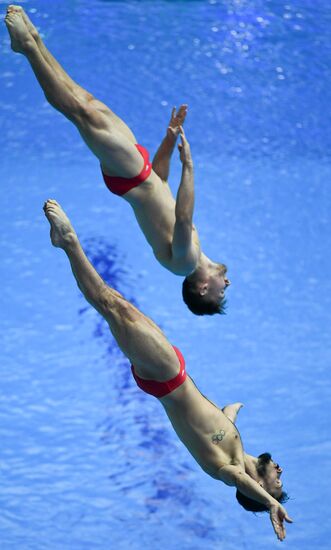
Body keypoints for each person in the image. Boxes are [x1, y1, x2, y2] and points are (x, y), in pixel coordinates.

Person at [42, 198, 292, 541]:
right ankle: (68, 244)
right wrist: (232, 411)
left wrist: (270, 504)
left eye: (276, 483)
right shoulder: (234, 447)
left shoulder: (225, 470)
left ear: (259, 488)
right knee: (114, 302)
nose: (279, 471)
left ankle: (68, 241)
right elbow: (219, 423)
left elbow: (240, 481)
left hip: (165, 375)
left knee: (108, 302)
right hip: (170, 370)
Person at [5, 5, 231, 316]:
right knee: (86, 103)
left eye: (220, 293)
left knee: (79, 112)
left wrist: (189, 168)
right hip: (142, 168)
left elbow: (182, 218)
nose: (227, 284)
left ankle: (30, 48)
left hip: (131, 175)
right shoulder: (193, 251)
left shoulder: (185, 263)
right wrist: (169, 138)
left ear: (203, 288)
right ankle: (31, 41)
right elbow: (162, 184)